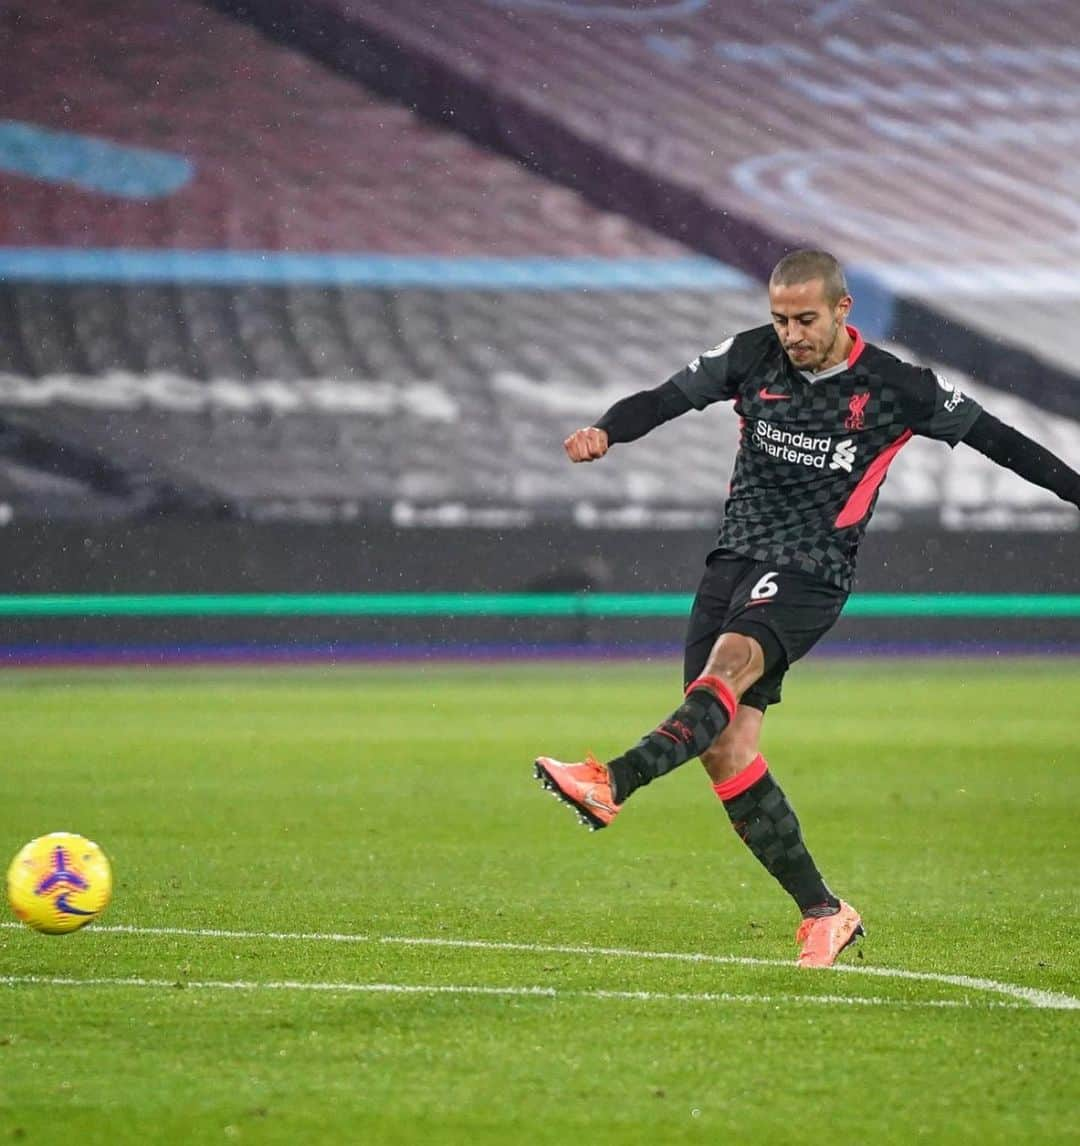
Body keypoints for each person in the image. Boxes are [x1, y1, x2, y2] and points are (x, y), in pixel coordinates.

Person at [534, 249, 1080, 968]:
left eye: (805, 319)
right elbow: (665, 397)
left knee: (726, 673)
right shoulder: (751, 357)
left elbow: (1000, 441)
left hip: (812, 566)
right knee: (724, 746)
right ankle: (825, 912)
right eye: (781, 319)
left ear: (842, 310)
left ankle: (613, 780)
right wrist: (608, 428)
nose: (791, 333)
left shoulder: (897, 386)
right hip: (733, 558)